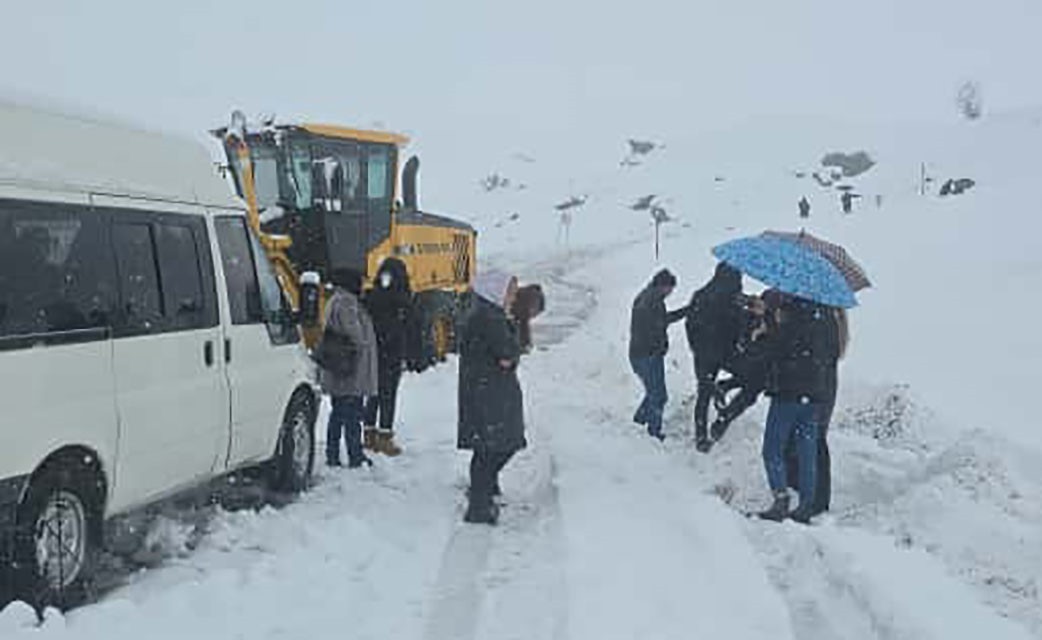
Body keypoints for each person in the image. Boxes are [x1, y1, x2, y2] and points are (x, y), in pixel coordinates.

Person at [757, 293, 836, 523]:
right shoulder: (824, 321)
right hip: (814, 398)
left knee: (772, 449)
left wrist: (769, 323)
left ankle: (781, 500)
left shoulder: (794, 320)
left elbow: (776, 350)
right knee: (807, 452)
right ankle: (806, 506)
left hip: (788, 395)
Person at [457, 271, 526, 525]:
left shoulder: (483, 313)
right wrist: (513, 346)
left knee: (486, 446)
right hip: (491, 392)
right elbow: (508, 354)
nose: (513, 297)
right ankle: (479, 502)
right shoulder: (491, 318)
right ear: (495, 290)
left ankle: (482, 494)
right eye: (510, 291)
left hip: (482, 390)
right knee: (498, 445)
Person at [784, 306, 846, 516]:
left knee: (808, 441)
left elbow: (806, 349)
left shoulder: (821, 316)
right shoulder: (834, 317)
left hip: (815, 388)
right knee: (815, 441)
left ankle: (809, 500)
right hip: (823, 386)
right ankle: (815, 500)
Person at [319, 268, 379, 468]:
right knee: (352, 413)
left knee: (338, 413)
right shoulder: (346, 302)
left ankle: (333, 454)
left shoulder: (335, 299)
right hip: (350, 368)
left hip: (340, 366)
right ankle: (355, 454)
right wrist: (364, 343)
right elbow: (354, 333)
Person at [684, 263, 743, 452]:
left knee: (703, 394)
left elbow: (689, 324)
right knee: (748, 377)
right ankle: (723, 393)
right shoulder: (733, 301)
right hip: (726, 354)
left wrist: (696, 347)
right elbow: (738, 328)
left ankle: (700, 437)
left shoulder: (700, 295)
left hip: (703, 355)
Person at [629, 269, 688, 441]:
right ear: (663, 286)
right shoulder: (651, 301)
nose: (671, 293)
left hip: (641, 354)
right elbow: (660, 322)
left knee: (653, 392)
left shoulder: (648, 296)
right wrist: (685, 312)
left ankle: (639, 420)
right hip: (647, 356)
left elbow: (660, 320)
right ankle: (654, 432)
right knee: (659, 396)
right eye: (670, 289)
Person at [363, 258, 413, 457]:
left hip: (374, 351)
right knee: (389, 395)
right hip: (392, 352)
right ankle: (385, 437)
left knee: (373, 393)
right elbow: (408, 326)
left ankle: (368, 434)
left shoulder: (372, 296)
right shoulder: (402, 298)